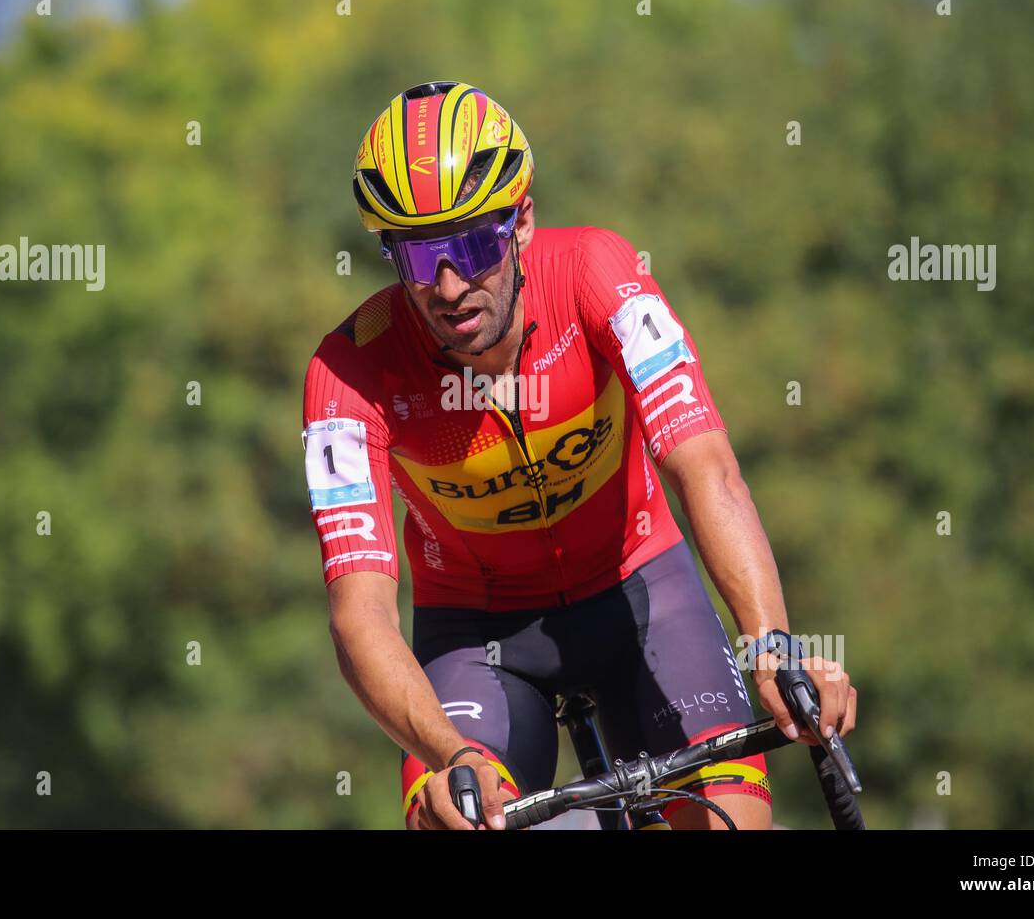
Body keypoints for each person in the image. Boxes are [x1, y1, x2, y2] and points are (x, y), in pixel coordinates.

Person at [302, 81, 856, 829]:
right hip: (477, 635)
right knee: (452, 819)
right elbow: (358, 614)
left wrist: (770, 638)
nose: (450, 285)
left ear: (522, 221)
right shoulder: (346, 374)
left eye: (471, 243)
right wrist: (446, 754)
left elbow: (704, 466)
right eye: (420, 253)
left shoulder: (599, 270)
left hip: (641, 590)